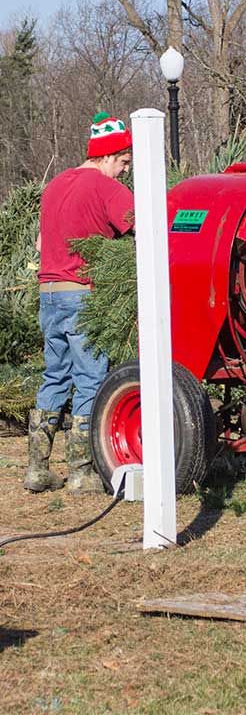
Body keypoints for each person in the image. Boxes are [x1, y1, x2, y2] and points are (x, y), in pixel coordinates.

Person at [24, 112, 134, 494]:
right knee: (90, 378)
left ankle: (37, 468)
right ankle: (82, 471)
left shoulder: (55, 185)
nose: (122, 171)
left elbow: (40, 244)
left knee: (55, 376)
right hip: (83, 293)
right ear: (106, 156)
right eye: (122, 162)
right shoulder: (105, 188)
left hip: (48, 294)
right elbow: (144, 225)